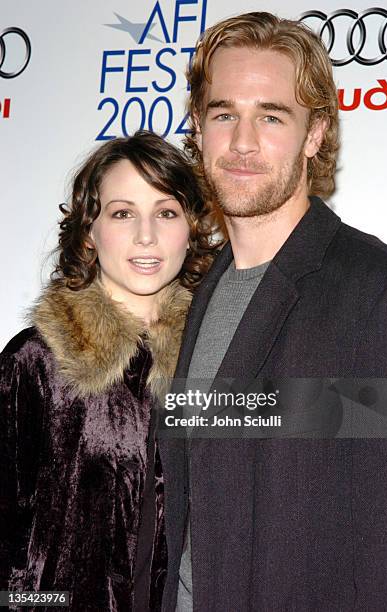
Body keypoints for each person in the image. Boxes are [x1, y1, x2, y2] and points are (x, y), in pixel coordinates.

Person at [158, 12, 387, 612]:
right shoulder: (188, 298)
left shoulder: (379, 294)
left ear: (314, 134)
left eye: (271, 116)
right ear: (198, 125)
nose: (242, 142)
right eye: (224, 115)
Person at [0, 130, 219, 611]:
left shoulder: (212, 364)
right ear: (89, 232)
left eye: (167, 212)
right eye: (123, 213)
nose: (147, 235)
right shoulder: (35, 362)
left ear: (192, 229)